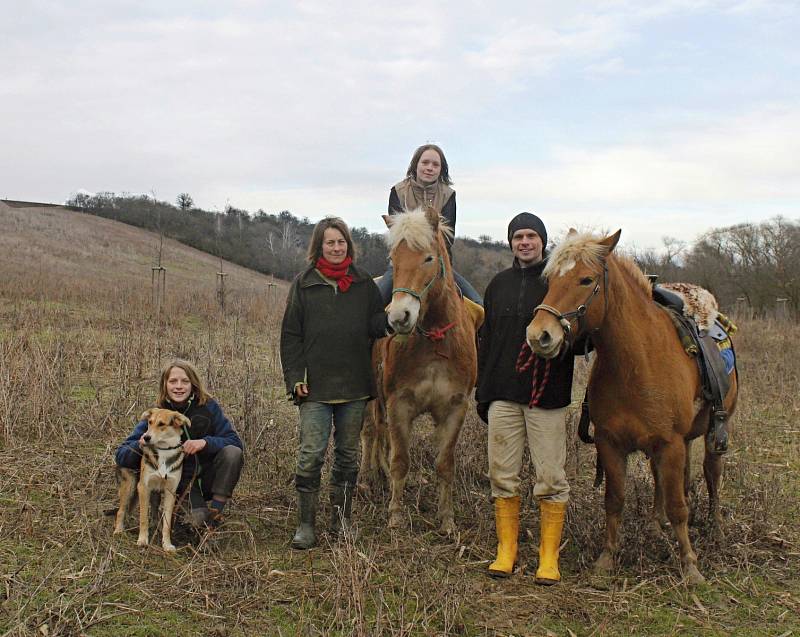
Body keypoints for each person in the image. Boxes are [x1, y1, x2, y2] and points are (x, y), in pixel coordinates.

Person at [476, 212, 577, 584]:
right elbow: (486, 341)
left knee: (550, 477)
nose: (525, 242)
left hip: (545, 396)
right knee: (502, 476)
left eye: (532, 236)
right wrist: (482, 393)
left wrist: (565, 345)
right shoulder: (497, 285)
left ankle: (548, 558)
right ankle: (507, 551)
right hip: (502, 394)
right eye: (518, 236)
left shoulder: (557, 282)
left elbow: (579, 336)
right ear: (511, 243)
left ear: (542, 241)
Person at [280, 216, 390, 549]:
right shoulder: (304, 284)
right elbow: (290, 335)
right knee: (311, 454)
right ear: (319, 246)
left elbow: (374, 323)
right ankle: (306, 525)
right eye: (330, 242)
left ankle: (342, 523)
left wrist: (393, 320)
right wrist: (295, 377)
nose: (337, 248)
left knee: (347, 455)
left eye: (341, 242)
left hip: (354, 386)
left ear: (348, 245)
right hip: (315, 387)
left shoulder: (363, 284)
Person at [115, 359, 244, 529]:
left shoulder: (208, 407)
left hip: (206, 476)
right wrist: (140, 446)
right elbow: (121, 454)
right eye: (173, 381)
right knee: (196, 523)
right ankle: (190, 515)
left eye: (185, 381)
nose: (179, 386)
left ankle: (216, 512)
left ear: (193, 384)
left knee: (233, 453)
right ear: (165, 385)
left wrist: (205, 443)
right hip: (180, 483)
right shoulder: (157, 414)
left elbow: (234, 441)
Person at [377, 143, 483, 305]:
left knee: (478, 304)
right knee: (374, 303)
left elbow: (448, 237)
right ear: (416, 165)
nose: (429, 168)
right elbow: (397, 233)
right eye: (425, 163)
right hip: (403, 264)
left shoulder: (448, 195)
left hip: (436, 263)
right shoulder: (398, 191)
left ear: (441, 169)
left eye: (435, 164)